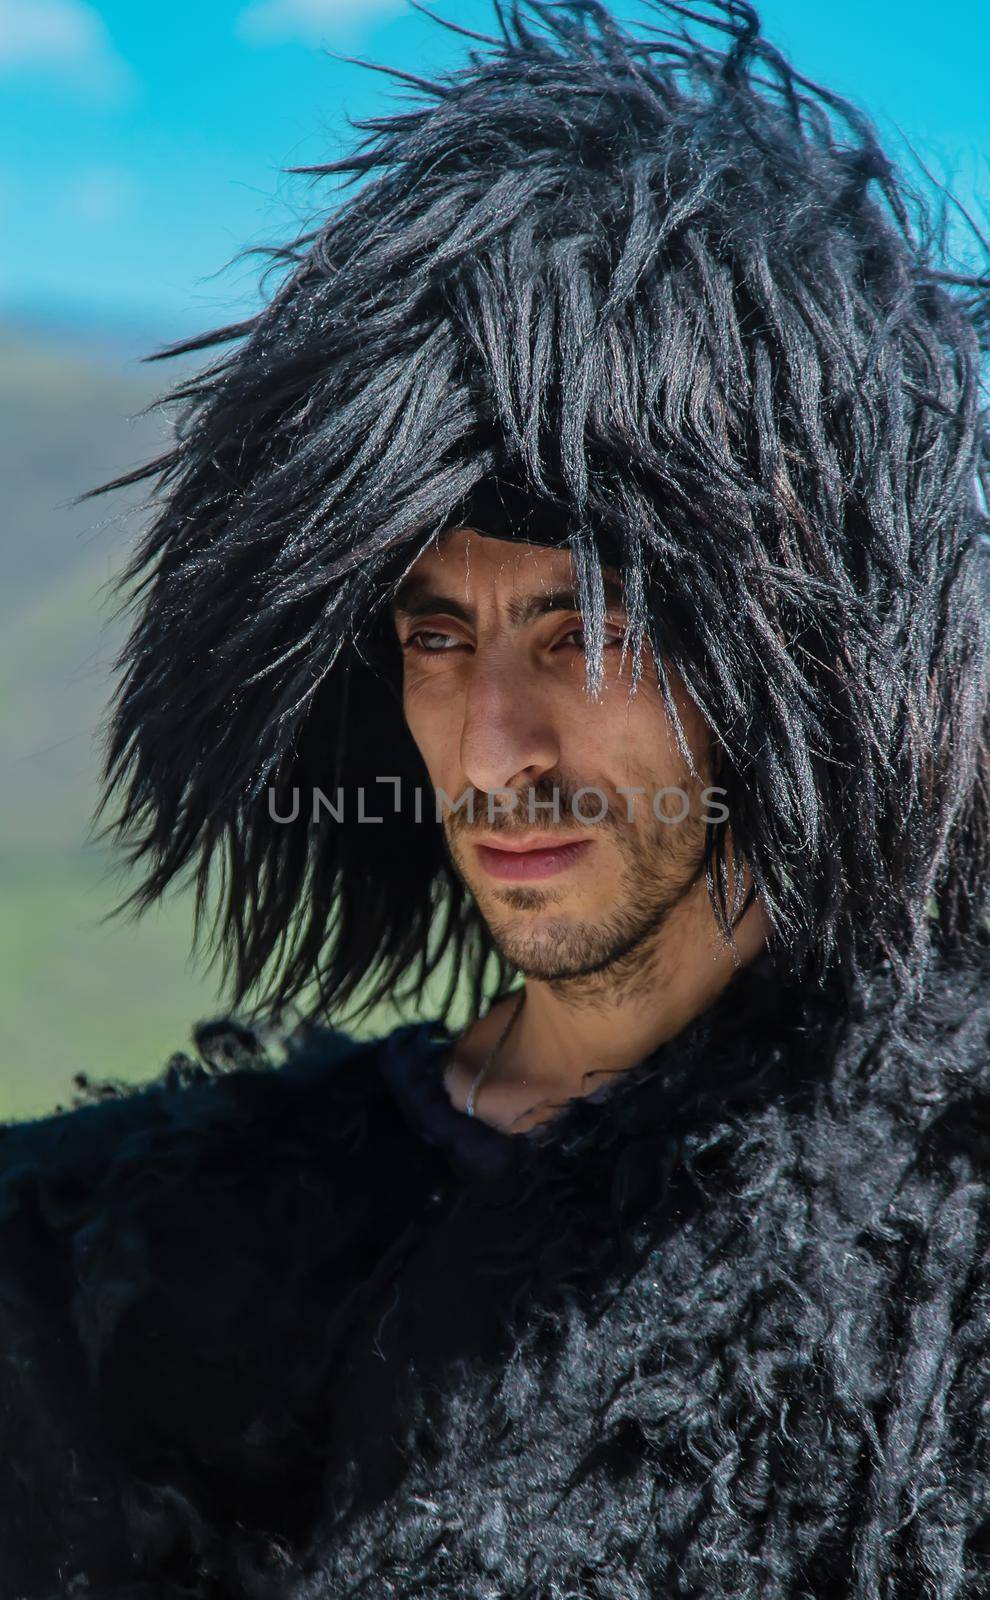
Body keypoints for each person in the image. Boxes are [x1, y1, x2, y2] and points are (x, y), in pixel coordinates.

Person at [2, 0, 989, 1594]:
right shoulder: (115, 1289)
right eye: (436, 640)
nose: (488, 748)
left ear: (783, 658)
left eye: (584, 630)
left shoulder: (945, 1257)